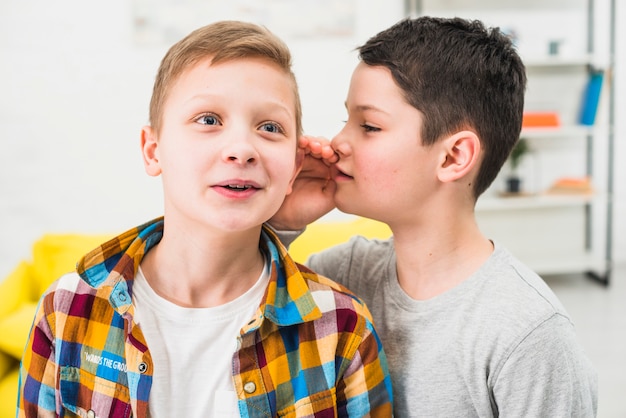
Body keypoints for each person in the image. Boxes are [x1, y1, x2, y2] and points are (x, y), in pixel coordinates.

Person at [17, 21, 393, 417]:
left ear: (295, 166)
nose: (242, 150)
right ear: (153, 150)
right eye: (209, 119)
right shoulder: (67, 310)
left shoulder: (342, 326)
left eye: (270, 127)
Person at [270, 16, 598, 417]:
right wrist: (281, 224)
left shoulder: (529, 333)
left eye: (369, 126)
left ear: (453, 156)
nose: (338, 142)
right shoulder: (345, 272)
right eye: (346, 121)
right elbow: (241, 316)